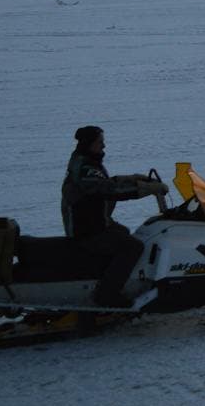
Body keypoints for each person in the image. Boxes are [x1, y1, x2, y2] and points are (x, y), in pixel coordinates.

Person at [61, 125, 163, 308]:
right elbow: (109, 190)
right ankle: (106, 295)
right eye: (100, 142)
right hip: (88, 231)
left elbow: (105, 183)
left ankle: (110, 279)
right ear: (89, 144)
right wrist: (146, 189)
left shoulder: (86, 162)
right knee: (133, 247)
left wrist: (133, 178)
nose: (104, 146)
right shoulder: (85, 168)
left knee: (123, 232)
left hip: (95, 224)